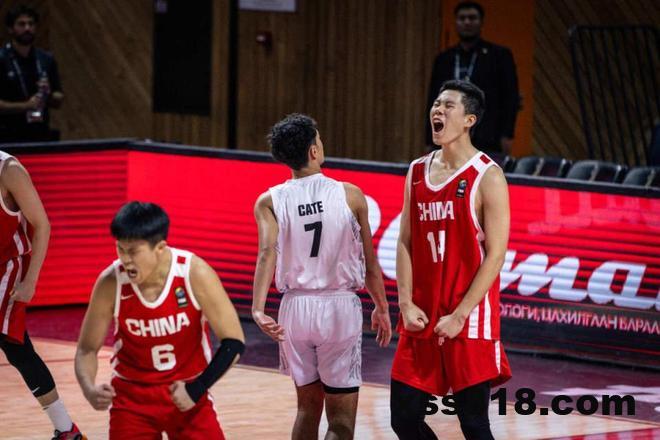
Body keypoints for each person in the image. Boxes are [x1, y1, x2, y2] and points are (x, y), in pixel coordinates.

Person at [252, 113, 392, 440]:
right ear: (314, 151)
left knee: (306, 410)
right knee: (341, 422)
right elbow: (370, 264)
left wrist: (258, 309)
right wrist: (382, 307)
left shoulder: (269, 201)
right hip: (338, 308)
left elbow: (266, 253)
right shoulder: (350, 194)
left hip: (294, 309)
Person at [391, 80, 512, 440]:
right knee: (403, 419)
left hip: (468, 319)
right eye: (436, 104)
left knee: (474, 425)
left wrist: (460, 314)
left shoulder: (488, 175)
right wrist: (405, 302)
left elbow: (496, 254)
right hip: (422, 314)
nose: (437, 110)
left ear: (469, 119)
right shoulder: (416, 171)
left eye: (448, 106)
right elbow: (405, 241)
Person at [75, 201, 245, 439]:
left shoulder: (193, 272)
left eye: (133, 251)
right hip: (132, 398)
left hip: (186, 391)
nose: (126, 259)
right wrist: (89, 389)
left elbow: (234, 342)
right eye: (120, 249)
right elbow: (86, 349)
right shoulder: (111, 282)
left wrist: (197, 388)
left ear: (160, 248)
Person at [0, 150, 84, 439]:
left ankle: (67, 429)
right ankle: (67, 429)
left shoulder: (9, 170)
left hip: (6, 269)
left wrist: (30, 282)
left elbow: (43, 225)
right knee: (20, 351)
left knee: (17, 349)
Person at [425, 1, 518, 154]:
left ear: (481, 22)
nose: (467, 22)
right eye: (462, 18)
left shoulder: (499, 56)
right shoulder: (444, 59)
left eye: (472, 18)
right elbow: (433, 98)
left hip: (487, 136)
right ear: (456, 22)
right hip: (448, 133)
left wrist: (507, 135)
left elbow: (510, 98)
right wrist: (429, 139)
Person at [0, 5, 64, 142]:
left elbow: (58, 96)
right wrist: (26, 106)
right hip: (8, 135)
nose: (27, 28)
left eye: (31, 24)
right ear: (10, 29)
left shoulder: (46, 59)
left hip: (40, 133)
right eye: (21, 24)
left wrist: (48, 94)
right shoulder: (2, 59)